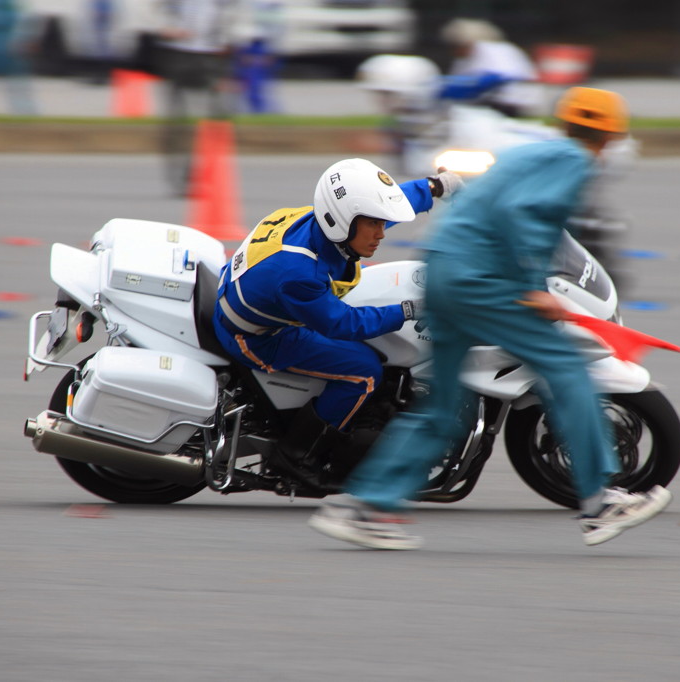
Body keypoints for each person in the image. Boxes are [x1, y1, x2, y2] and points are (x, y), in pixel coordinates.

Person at [309, 88, 672, 551]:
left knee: (444, 405)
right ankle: (601, 500)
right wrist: (532, 287)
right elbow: (526, 220)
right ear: (607, 138)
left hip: (443, 269)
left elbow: (485, 205)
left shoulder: (532, 153)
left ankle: (362, 506)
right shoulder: (574, 162)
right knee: (564, 366)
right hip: (479, 280)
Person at [213, 158, 463, 490]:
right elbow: (342, 324)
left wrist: (436, 187)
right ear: (343, 222)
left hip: (262, 299)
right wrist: (408, 309)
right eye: (373, 225)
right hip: (254, 336)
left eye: (382, 223)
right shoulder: (299, 273)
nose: (381, 234)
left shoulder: (324, 224)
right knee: (364, 370)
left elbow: (383, 203)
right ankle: (296, 456)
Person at [153, 0, 253, 195]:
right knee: (180, 122)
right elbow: (154, 8)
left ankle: (210, 175)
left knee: (220, 118)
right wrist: (164, 27)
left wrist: (233, 50)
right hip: (179, 53)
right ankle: (182, 178)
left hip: (214, 54)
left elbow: (237, 14)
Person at [438, 18, 542, 118]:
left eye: (455, 46)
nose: (453, 51)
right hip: (486, 106)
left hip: (513, 106)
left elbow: (503, 78)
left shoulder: (494, 50)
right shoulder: (462, 60)